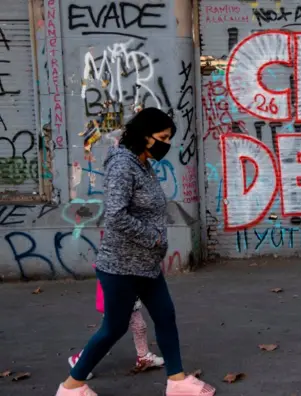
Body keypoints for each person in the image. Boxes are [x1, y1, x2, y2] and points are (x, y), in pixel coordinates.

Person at [56, 107, 215, 396]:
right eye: (162, 137)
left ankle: (177, 382)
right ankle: (71, 386)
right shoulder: (123, 165)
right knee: (113, 329)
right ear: (144, 135)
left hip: (145, 264)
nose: (166, 143)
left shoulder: (143, 163)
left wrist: (152, 246)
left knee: (165, 316)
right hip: (121, 266)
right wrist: (153, 239)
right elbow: (116, 215)